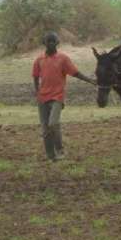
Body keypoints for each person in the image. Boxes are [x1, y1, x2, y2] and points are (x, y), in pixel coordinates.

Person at [32, 31, 94, 161]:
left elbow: (75, 73)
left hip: (57, 97)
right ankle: (51, 156)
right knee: (45, 129)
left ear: (57, 43)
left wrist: (91, 81)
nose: (50, 43)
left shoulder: (63, 59)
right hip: (42, 98)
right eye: (48, 41)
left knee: (53, 123)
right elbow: (35, 76)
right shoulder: (39, 59)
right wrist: (37, 92)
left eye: (53, 41)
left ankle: (59, 150)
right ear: (44, 43)